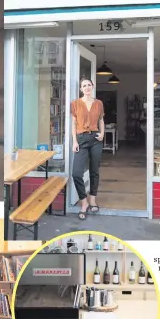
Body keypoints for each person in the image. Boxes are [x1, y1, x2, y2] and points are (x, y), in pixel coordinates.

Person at [70, 78, 105, 220]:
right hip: (81, 140)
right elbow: (73, 124)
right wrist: (74, 142)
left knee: (94, 170)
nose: (87, 87)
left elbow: (101, 120)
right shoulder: (75, 104)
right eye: (84, 86)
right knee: (76, 173)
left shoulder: (99, 103)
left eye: (89, 85)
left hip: (96, 139)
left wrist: (102, 134)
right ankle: (83, 201)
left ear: (93, 86)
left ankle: (92, 200)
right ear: (81, 89)